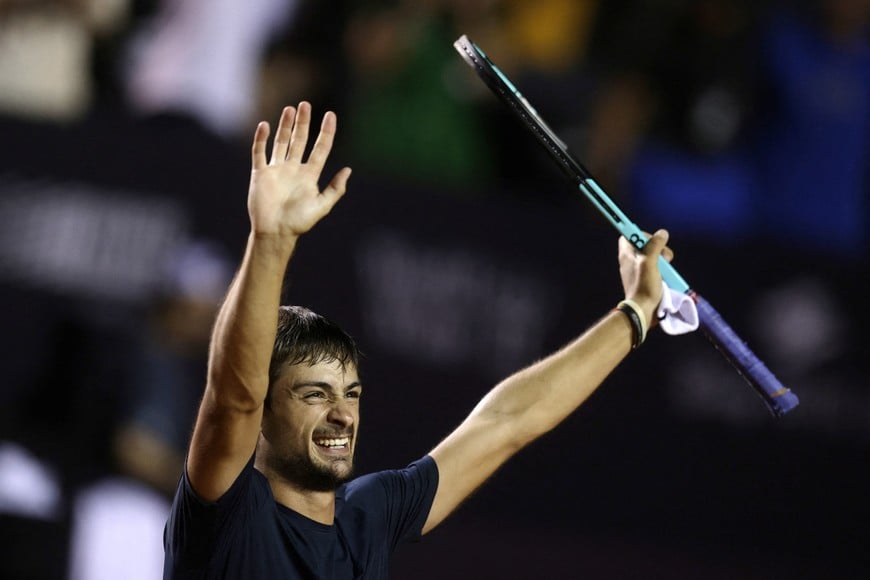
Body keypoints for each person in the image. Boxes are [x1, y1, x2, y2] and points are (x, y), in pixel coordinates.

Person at [162, 101, 673, 578]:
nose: (342, 413)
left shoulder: (369, 518)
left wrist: (636, 313)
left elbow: (507, 422)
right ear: (267, 412)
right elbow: (233, 398)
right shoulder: (224, 513)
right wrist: (270, 243)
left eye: (351, 393)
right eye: (315, 393)